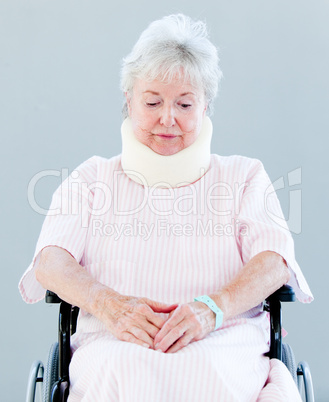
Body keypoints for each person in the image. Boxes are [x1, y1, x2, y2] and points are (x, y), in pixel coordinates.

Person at [19, 14, 313, 401]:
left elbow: (275, 260)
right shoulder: (92, 179)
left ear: (206, 106)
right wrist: (108, 305)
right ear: (129, 100)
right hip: (114, 343)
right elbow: (50, 261)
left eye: (185, 103)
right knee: (122, 370)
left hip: (223, 341)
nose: (167, 118)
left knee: (212, 374)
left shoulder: (244, 177)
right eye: (153, 101)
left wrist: (213, 309)